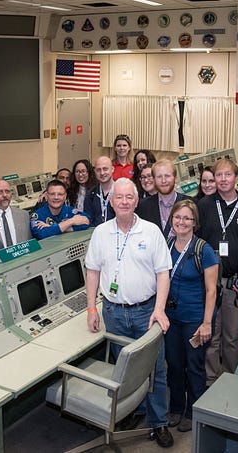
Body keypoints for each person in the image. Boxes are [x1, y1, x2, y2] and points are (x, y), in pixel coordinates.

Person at [84, 178, 174, 448]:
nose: (123, 202)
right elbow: (92, 271)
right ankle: (134, 412)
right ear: (111, 202)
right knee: (123, 370)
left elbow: (163, 274)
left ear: (136, 201)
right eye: (119, 197)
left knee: (155, 369)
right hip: (113, 312)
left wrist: (159, 309)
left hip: (146, 312)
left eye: (129, 197)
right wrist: (91, 307)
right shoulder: (100, 232)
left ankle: (159, 422)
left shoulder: (151, 231)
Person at [196, 158, 238, 383]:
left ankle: (233, 381)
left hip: (236, 282)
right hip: (210, 282)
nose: (223, 180)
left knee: (232, 337)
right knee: (211, 335)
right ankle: (211, 381)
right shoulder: (204, 206)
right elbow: (197, 243)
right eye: (219, 176)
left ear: (236, 178)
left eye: (227, 175)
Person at [164, 199, 219, 433]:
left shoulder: (203, 250)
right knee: (174, 365)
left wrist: (207, 323)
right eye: (178, 217)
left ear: (194, 222)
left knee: (194, 366)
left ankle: (192, 410)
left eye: (187, 218)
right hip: (171, 318)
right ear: (172, 219)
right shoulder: (166, 245)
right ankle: (176, 407)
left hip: (195, 320)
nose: (181, 222)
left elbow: (211, 290)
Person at [136, 159, 190, 237]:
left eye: (167, 176)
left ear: (175, 178)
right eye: (159, 177)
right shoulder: (143, 206)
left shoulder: (190, 204)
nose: (163, 181)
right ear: (154, 179)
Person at [0, 179, 32, 245]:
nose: (5, 195)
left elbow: (29, 243)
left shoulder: (24, 215)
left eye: (7, 191)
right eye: (0, 192)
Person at [83, 156, 116, 226]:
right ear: (94, 171)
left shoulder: (121, 191)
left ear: (112, 169)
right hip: (97, 234)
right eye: (98, 170)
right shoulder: (90, 194)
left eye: (105, 169)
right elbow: (88, 219)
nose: (102, 173)